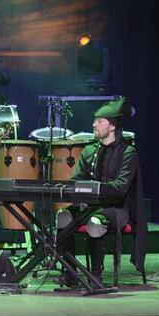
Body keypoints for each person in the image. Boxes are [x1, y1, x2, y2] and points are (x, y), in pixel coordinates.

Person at [55, 97, 139, 286]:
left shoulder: (128, 153)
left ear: (112, 127)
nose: (94, 124)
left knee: (95, 222)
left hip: (116, 209)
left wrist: (95, 190)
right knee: (63, 216)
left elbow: (120, 188)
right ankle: (71, 273)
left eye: (99, 121)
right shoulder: (88, 151)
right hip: (89, 206)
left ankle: (95, 275)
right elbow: (76, 181)